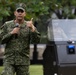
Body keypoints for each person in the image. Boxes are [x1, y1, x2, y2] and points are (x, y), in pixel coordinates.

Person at [0, 3, 40, 75]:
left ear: (25, 14)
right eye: (18, 11)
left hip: (23, 61)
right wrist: (11, 33)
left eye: (22, 12)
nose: (20, 13)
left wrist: (32, 29)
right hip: (9, 59)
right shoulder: (7, 25)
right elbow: (1, 40)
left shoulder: (29, 25)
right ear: (15, 13)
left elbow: (36, 41)